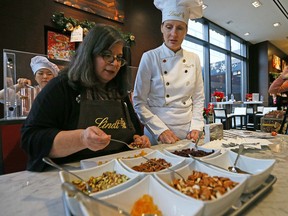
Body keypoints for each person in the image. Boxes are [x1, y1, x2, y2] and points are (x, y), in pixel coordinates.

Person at [21, 24, 151, 172]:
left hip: (117, 173)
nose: (114, 63)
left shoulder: (118, 92)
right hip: (70, 176)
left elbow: (133, 134)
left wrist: (139, 140)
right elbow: (30, 140)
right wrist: (81, 139)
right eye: (107, 55)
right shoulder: (62, 86)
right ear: (89, 54)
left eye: (119, 58)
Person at [133, 0, 205, 145]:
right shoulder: (150, 57)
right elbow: (139, 102)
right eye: (169, 27)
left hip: (188, 132)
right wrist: (160, 130)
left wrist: (197, 126)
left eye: (180, 28)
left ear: (186, 31)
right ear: (161, 28)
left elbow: (198, 98)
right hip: (156, 133)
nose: (173, 34)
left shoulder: (194, 58)